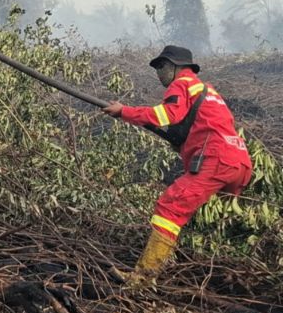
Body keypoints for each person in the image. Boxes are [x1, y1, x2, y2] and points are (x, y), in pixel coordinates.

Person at [102, 45, 252, 284]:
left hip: (216, 160)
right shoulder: (207, 90)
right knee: (222, 218)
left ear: (177, 67)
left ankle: (142, 278)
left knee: (170, 206)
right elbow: (209, 125)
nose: (159, 72)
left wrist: (124, 111)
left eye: (162, 66)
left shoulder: (181, 84)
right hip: (240, 162)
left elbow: (167, 115)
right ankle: (232, 271)